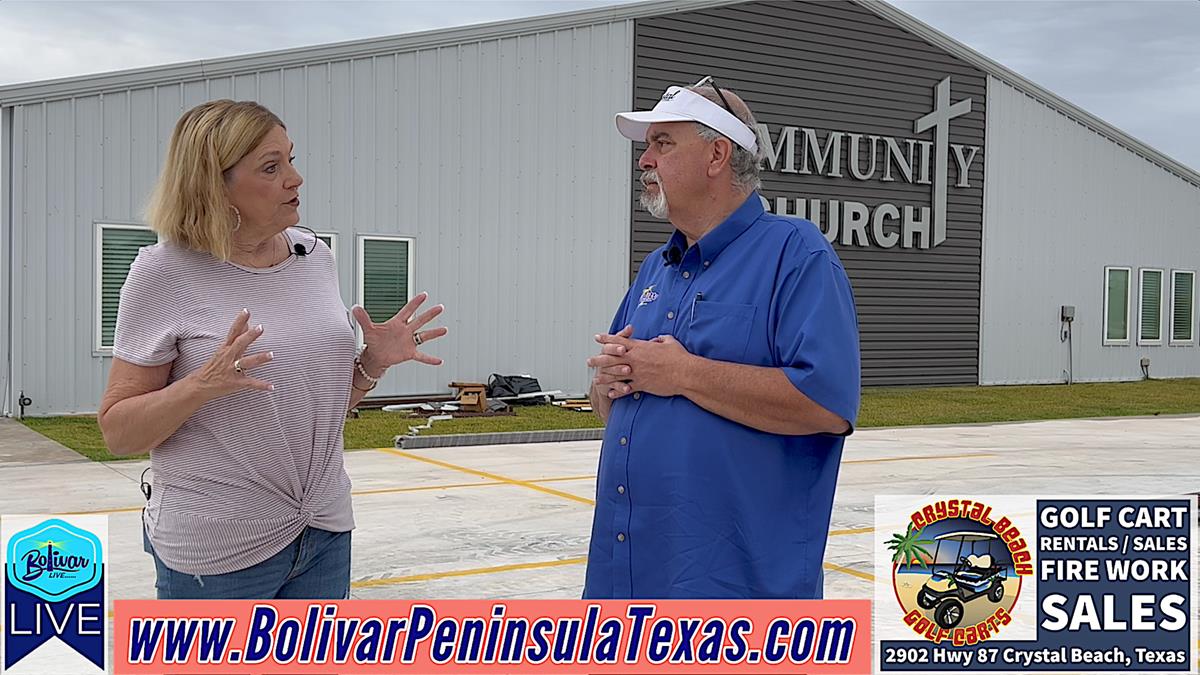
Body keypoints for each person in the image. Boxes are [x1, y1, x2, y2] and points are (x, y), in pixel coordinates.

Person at [97, 99, 447, 599]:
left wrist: (370, 365)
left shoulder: (313, 256)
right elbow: (117, 433)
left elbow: (312, 406)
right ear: (214, 184)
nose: (295, 178)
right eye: (270, 166)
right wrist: (200, 386)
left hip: (322, 530)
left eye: (291, 158)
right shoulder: (164, 271)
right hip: (218, 550)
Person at [583, 78, 861, 599]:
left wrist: (685, 374)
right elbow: (617, 398)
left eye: (663, 143)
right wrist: (609, 381)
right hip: (628, 576)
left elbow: (827, 404)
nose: (646, 161)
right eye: (648, 147)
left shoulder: (795, 253)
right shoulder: (655, 267)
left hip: (734, 594)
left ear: (717, 154)